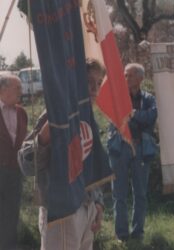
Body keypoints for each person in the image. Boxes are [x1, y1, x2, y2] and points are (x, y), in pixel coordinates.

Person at [18, 59, 107, 250]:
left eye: (99, 82)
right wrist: (43, 137)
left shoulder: (88, 116)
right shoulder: (55, 113)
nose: (94, 88)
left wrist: (97, 203)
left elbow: (90, 163)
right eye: (89, 81)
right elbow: (26, 165)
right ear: (76, 80)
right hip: (61, 210)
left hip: (86, 206)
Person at [107, 63, 157, 241]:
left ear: (140, 78)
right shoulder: (117, 97)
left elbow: (151, 117)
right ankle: (121, 234)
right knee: (118, 193)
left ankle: (138, 233)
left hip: (141, 149)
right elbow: (116, 120)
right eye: (124, 75)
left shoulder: (149, 99)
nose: (125, 79)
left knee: (140, 193)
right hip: (120, 147)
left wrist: (133, 114)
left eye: (129, 75)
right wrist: (137, 119)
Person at [0, 74, 27, 250]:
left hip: (15, 171)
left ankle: (8, 246)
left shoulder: (22, 112)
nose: (21, 91)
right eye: (17, 87)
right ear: (3, 89)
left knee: (12, 211)